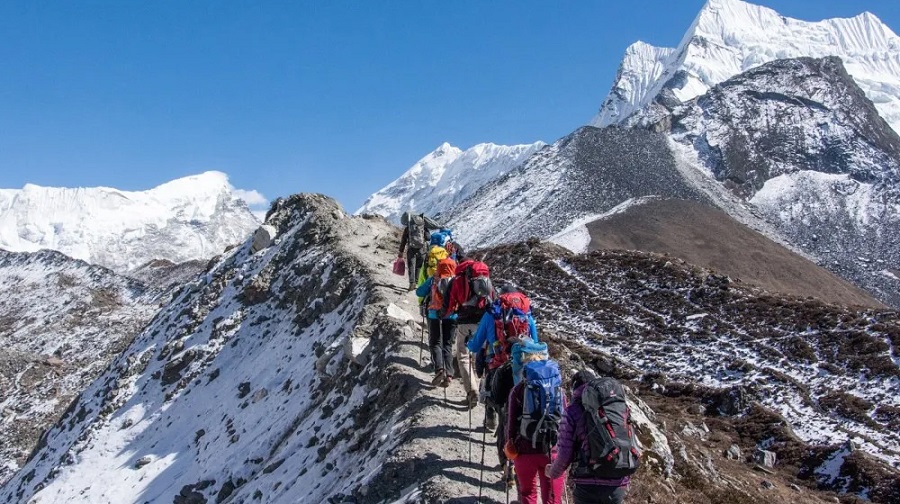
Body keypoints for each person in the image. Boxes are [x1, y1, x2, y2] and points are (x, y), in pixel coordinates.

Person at [545, 369, 631, 504]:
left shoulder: (572, 411)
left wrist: (553, 472)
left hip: (587, 482)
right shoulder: (615, 407)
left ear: (574, 389)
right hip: (617, 482)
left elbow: (565, 453)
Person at [466, 282, 539, 430]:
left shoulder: (492, 313)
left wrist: (468, 342)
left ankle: (490, 417)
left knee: (490, 388)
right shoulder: (526, 315)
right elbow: (535, 343)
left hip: (498, 363)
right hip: (521, 364)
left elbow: (476, 345)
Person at [505, 354, 566, 504]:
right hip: (551, 450)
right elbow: (565, 422)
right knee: (552, 497)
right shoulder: (558, 391)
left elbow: (510, 423)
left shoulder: (518, 390)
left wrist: (510, 446)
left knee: (528, 493)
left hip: (524, 449)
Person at [442, 256, 494, 409]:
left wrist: (443, 314)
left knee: (464, 357)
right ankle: (484, 391)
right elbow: (493, 298)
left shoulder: (457, 280)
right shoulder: (485, 278)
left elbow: (449, 303)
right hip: (484, 322)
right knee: (481, 356)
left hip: (465, 322)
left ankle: (472, 391)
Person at [416, 257, 458, 387]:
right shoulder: (457, 281)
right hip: (452, 316)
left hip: (434, 315)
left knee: (435, 343)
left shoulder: (434, 279)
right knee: (447, 344)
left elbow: (419, 292)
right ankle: (449, 374)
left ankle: (439, 369)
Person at [398, 212, 430, 291]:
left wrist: (401, 251)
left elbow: (403, 241)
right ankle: (416, 283)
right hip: (422, 250)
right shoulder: (423, 226)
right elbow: (428, 237)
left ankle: (412, 283)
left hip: (411, 249)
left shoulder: (408, 228)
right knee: (418, 267)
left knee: (411, 266)